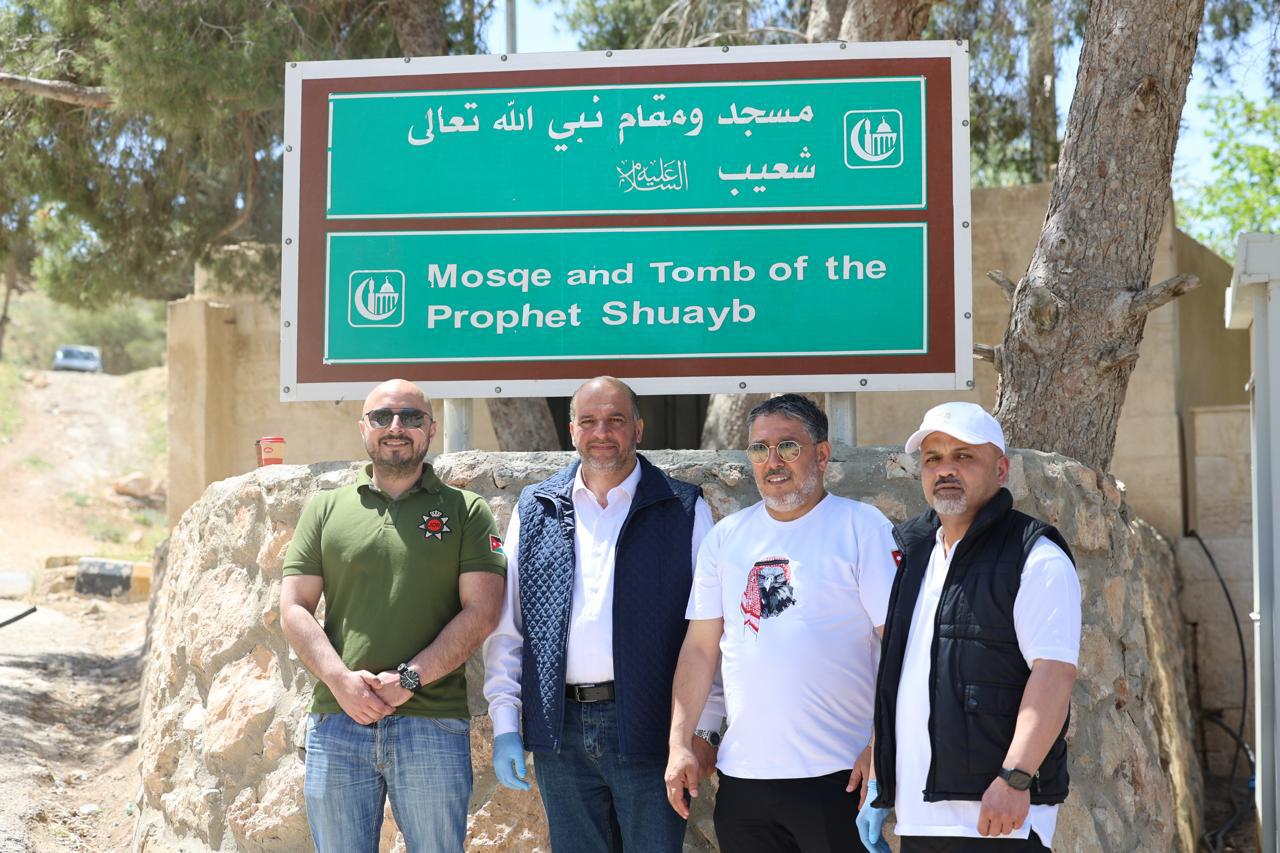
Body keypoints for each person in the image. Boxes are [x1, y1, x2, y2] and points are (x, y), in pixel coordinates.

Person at [482, 376, 724, 852]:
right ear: (572, 430)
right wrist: (506, 725)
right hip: (560, 731)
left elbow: (708, 632)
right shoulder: (536, 508)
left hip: (651, 728)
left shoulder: (683, 508)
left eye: (615, 420)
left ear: (638, 428)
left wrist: (706, 728)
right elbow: (509, 630)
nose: (602, 432)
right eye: (589, 421)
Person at [665, 393, 900, 853]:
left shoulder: (861, 528)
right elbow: (700, 649)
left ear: (822, 455)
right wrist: (681, 744)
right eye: (759, 449)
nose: (772, 461)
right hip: (744, 782)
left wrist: (881, 748)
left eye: (788, 447)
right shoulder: (726, 538)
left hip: (838, 777)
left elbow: (899, 646)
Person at [280, 378, 506, 852]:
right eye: (382, 416)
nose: (396, 426)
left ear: (432, 429)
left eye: (411, 417)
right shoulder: (325, 509)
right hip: (339, 719)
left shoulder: (467, 510)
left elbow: (483, 610)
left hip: (432, 721)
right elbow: (293, 607)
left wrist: (408, 679)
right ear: (363, 427)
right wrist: (341, 682)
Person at [857, 402, 1081, 853]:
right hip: (919, 816)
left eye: (963, 456)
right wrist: (881, 776)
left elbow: (1054, 674)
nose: (945, 470)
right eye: (933, 458)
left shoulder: (1035, 557)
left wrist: (1015, 778)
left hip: (997, 819)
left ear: (1001, 469)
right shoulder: (913, 554)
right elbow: (901, 676)